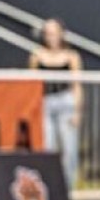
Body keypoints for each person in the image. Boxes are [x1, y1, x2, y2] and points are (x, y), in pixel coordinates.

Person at [28, 18, 83, 187]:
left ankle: (68, 186)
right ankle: (48, 184)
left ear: (61, 34)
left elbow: (77, 85)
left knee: (69, 147)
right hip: (45, 101)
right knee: (46, 145)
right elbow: (31, 84)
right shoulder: (37, 55)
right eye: (47, 33)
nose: (51, 37)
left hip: (65, 100)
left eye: (54, 33)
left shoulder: (71, 56)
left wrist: (77, 111)